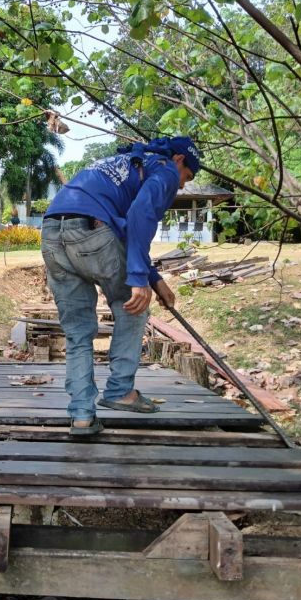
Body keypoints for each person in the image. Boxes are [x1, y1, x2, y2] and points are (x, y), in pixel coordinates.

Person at [41, 136, 200, 436]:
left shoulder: (128, 164)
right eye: (187, 177)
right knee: (134, 308)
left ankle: (82, 417)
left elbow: (125, 230)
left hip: (51, 232)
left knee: (77, 333)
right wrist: (140, 281)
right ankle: (119, 390)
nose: (181, 186)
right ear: (180, 160)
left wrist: (153, 278)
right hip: (92, 231)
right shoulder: (165, 169)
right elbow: (140, 215)